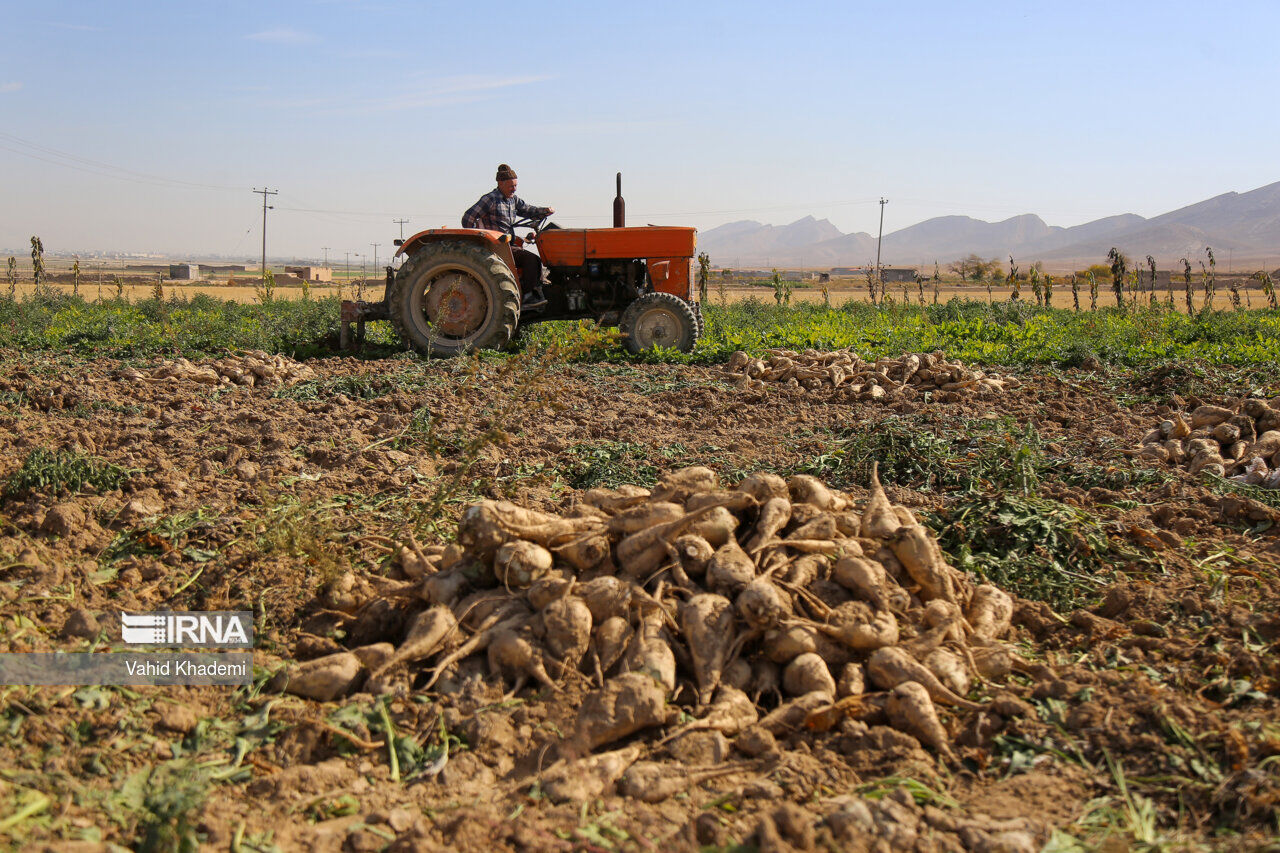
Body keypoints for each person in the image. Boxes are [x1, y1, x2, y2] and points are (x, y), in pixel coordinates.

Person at [462, 164, 556, 310]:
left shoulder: (513, 200)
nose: (514, 189)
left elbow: (528, 210)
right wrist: (481, 238)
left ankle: (536, 291)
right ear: (501, 184)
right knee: (532, 260)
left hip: (509, 244)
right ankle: (526, 297)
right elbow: (467, 218)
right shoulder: (490, 199)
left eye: (516, 185)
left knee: (537, 262)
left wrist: (545, 210)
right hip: (498, 247)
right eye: (511, 186)